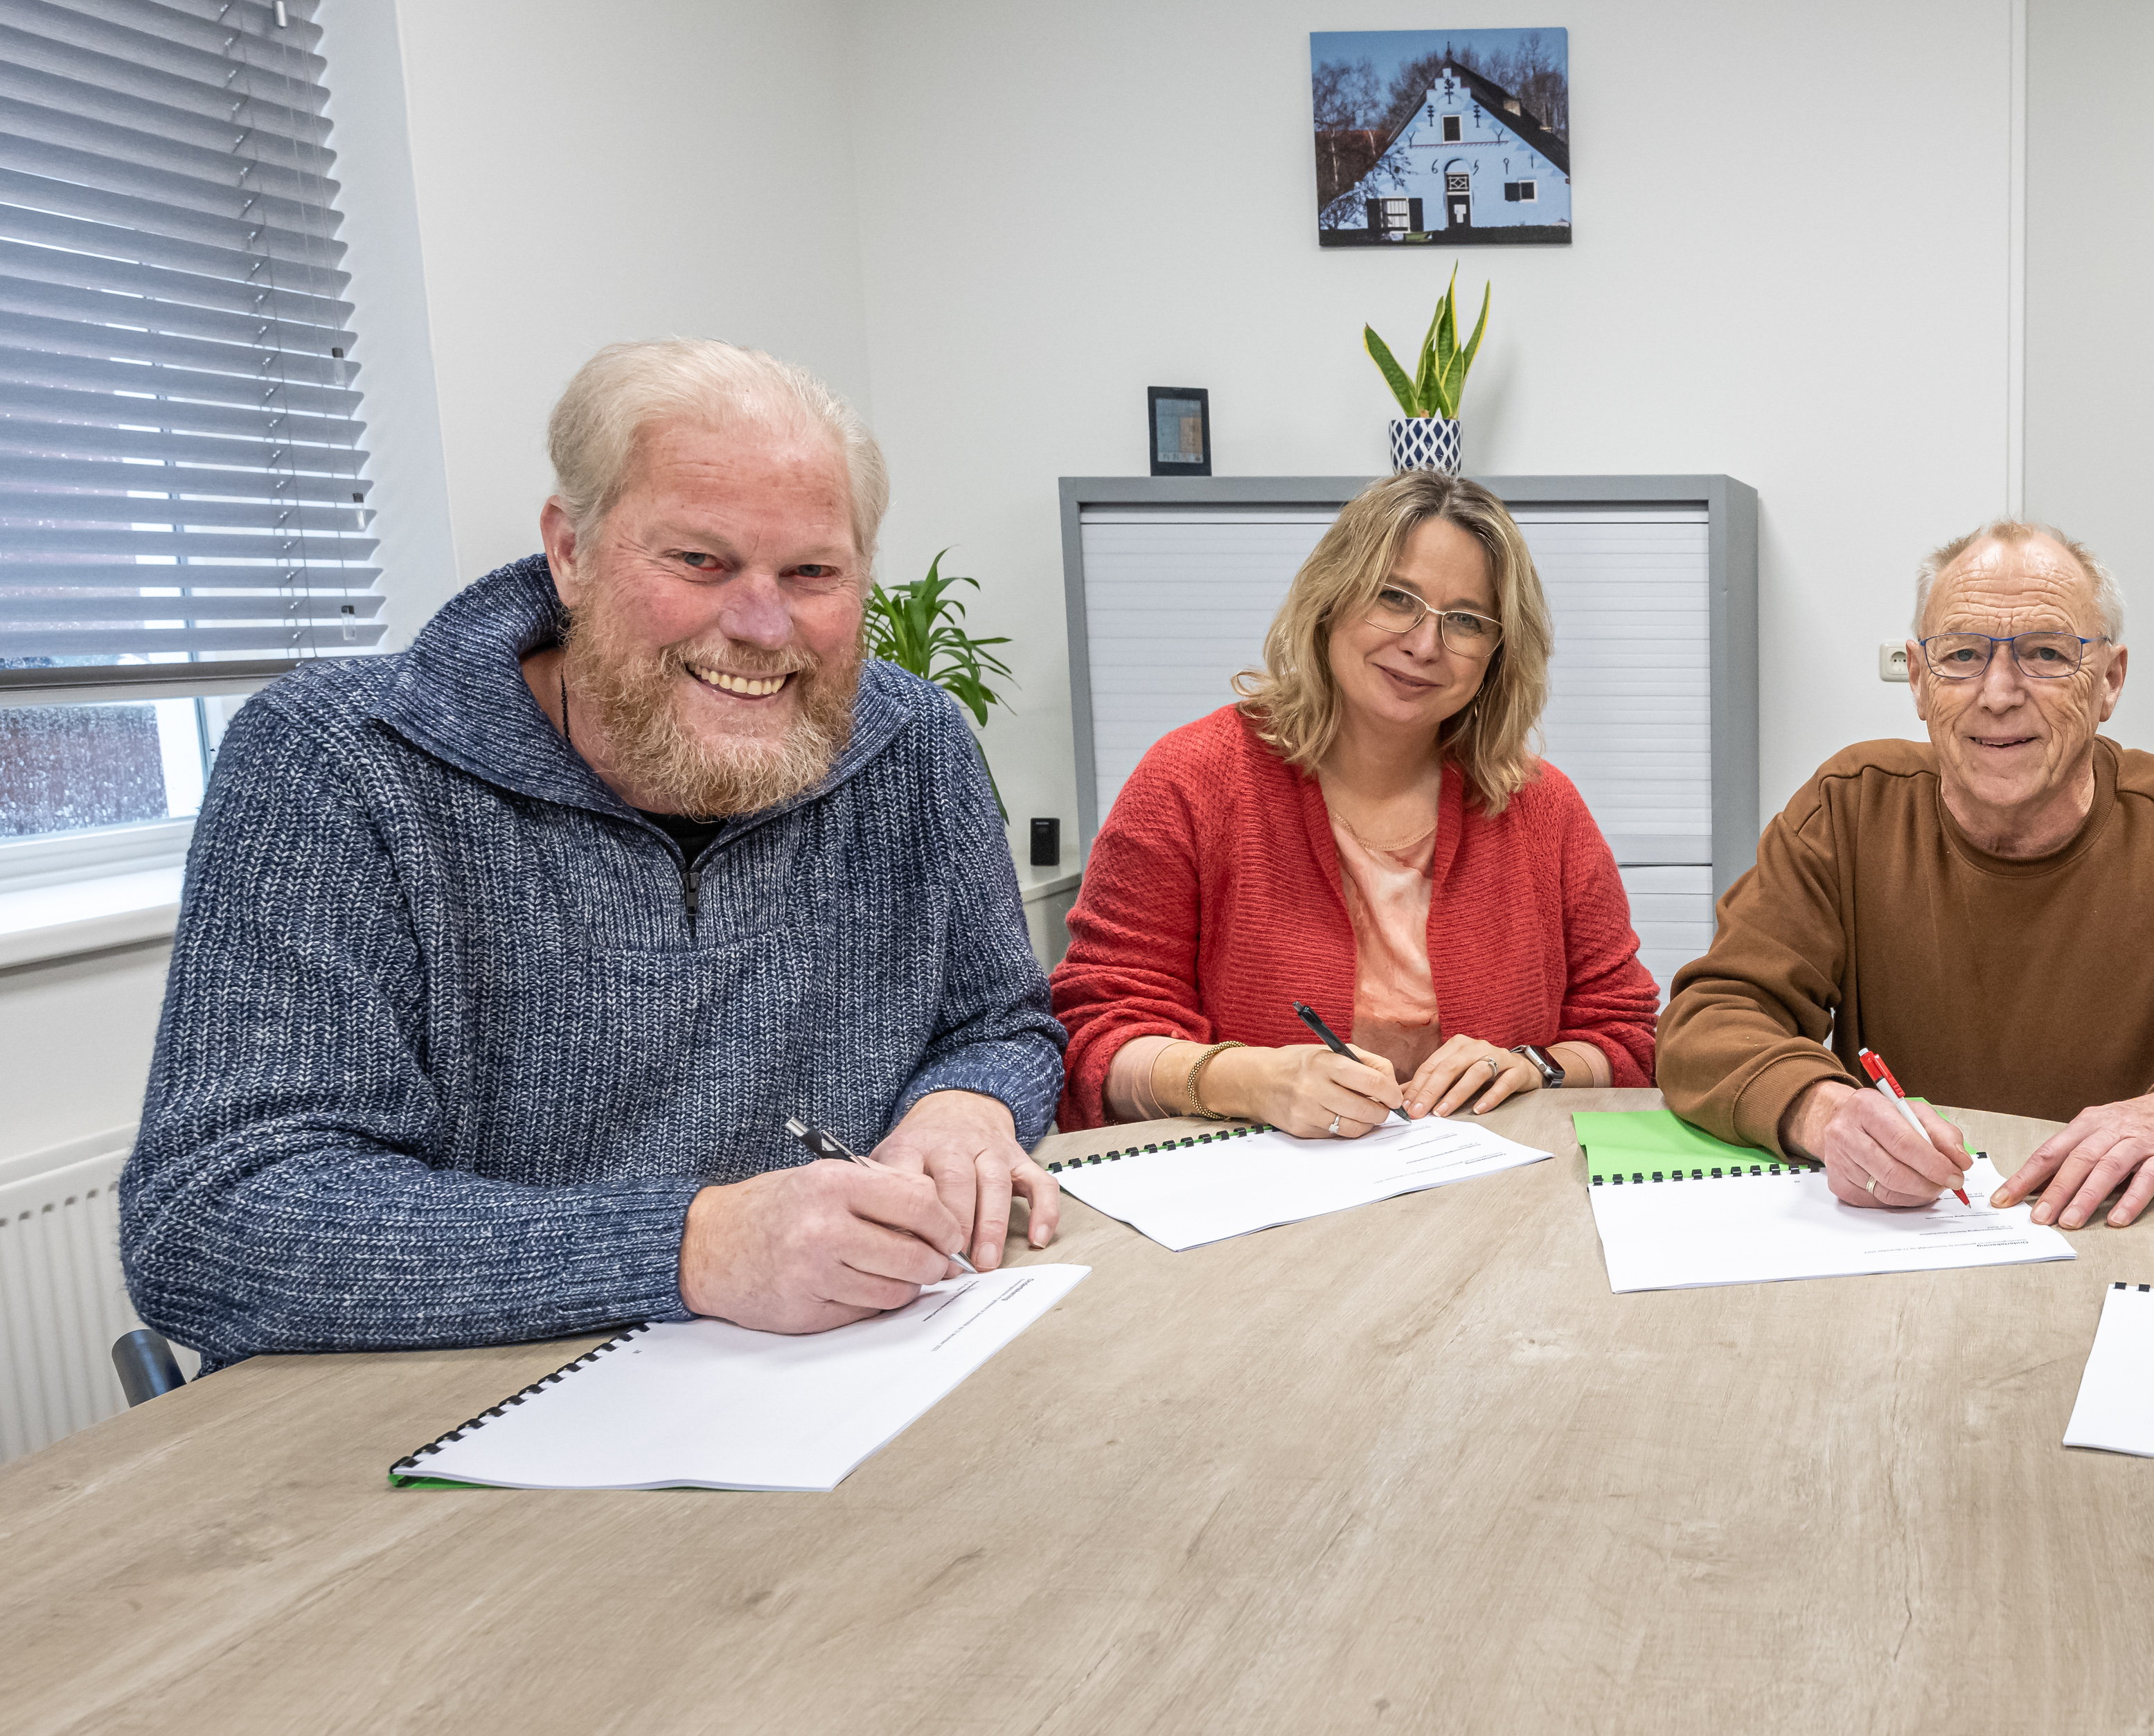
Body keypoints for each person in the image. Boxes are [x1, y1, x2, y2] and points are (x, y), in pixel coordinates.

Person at [120, 339, 1067, 1365]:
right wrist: (694, 1245)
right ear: (569, 550)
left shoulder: (912, 740)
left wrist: (965, 1105)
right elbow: (212, 1214)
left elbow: (1001, 1022)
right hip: (452, 1412)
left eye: (813, 572)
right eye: (699, 560)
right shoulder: (337, 759)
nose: (763, 625)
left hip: (848, 1372)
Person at [1659, 521, 2154, 1226]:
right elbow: (1711, 1020)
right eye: (1962, 655)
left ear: (2109, 681)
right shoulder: (1848, 809)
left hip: (2143, 1243)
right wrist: (1824, 1110)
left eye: (2044, 653)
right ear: (1918, 680)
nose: (1999, 692)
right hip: (1910, 1235)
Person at [1053, 472, 1655, 1136]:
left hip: (1495, 1184)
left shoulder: (1544, 808)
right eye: (1395, 598)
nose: (1424, 645)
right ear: (1331, 596)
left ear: (1498, 652)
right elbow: (1094, 1037)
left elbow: (1627, 1035)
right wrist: (1248, 1079)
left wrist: (1535, 1065)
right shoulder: (1189, 781)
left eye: (1465, 620)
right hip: (1261, 1189)